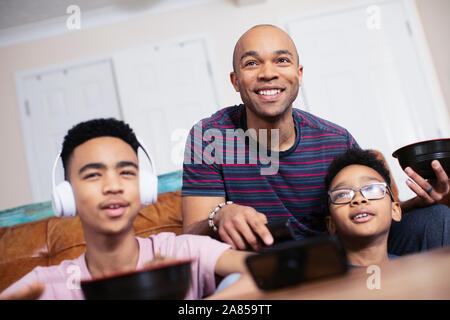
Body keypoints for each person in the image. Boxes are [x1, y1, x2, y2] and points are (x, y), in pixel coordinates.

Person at [181, 24, 450, 255]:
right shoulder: (210, 137)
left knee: (436, 218)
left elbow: (365, 213)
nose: (267, 73)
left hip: (339, 255)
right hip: (261, 265)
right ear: (235, 81)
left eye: (281, 60)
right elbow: (193, 236)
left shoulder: (336, 140)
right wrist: (220, 215)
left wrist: (421, 200)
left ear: (299, 74)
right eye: (251, 63)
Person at [0, 118, 250, 300]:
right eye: (93, 175)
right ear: (67, 195)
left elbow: (276, 271)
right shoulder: (45, 286)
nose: (113, 186)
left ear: (144, 187)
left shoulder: (180, 251)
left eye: (126, 172)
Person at [324, 149, 402, 267]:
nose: (359, 199)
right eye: (342, 194)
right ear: (331, 224)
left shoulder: (412, 268)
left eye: (372, 189)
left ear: (395, 210)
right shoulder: (324, 283)